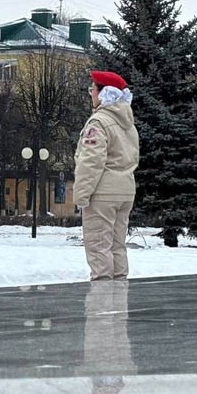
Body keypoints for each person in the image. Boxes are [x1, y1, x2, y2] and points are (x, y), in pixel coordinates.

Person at [73, 70, 139, 281]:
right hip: (125, 191)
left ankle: (101, 307)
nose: (90, 93)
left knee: (99, 247)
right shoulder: (128, 124)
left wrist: (81, 196)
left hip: (102, 194)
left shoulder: (99, 123)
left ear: (103, 93)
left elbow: (91, 162)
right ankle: (118, 303)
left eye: (92, 89)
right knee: (117, 247)